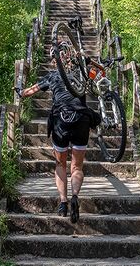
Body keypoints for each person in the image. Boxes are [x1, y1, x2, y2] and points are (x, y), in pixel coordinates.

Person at [16, 55, 97, 223]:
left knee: (60, 164)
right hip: (81, 118)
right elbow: (100, 73)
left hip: (61, 119)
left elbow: (29, 92)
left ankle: (63, 202)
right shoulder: (82, 73)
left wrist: (20, 92)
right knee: (77, 167)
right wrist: (89, 61)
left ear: (56, 62)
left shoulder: (52, 75)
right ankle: (75, 196)